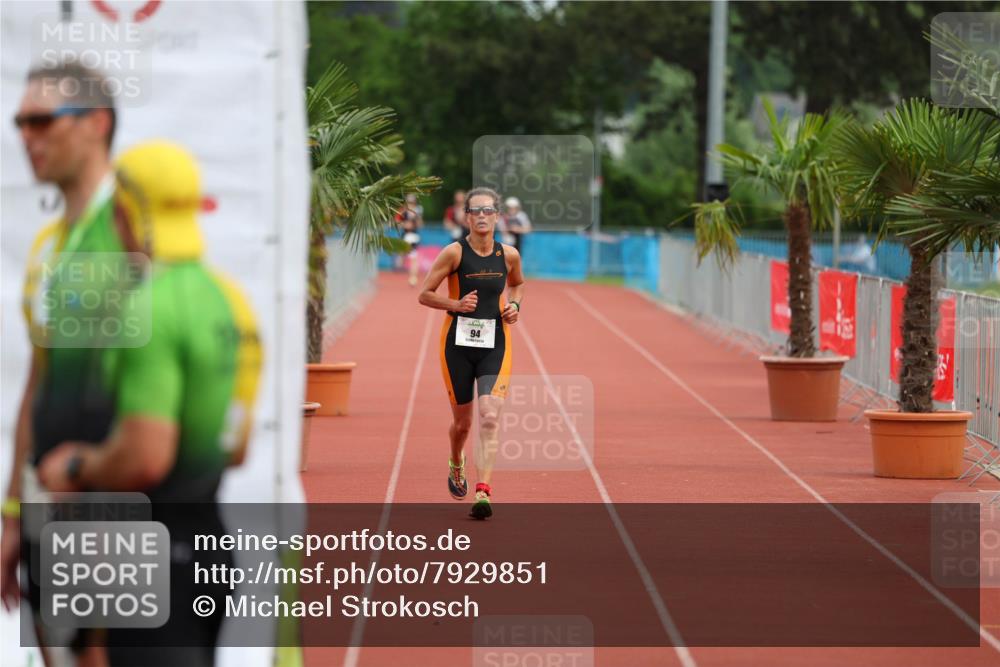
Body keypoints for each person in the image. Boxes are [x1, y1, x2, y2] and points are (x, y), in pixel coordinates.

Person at [35, 140, 263, 666]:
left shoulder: (147, 307)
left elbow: (145, 457)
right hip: (208, 542)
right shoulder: (228, 298)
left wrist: (75, 464)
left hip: (145, 549)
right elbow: (237, 445)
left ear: (126, 210)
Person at [1, 61, 122, 667]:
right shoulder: (52, 245)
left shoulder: (129, 235)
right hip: (44, 499)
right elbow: (40, 382)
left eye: (42, 120)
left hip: (108, 504)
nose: (27, 135)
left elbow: (133, 392)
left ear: (96, 124)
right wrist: (12, 513)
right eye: (21, 122)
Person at [418, 187, 525, 519]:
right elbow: (425, 294)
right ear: (466, 216)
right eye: (475, 211)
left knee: (490, 415)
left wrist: (515, 305)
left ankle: (484, 491)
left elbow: (517, 284)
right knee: (462, 424)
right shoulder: (453, 253)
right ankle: (455, 461)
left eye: (488, 210)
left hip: (496, 342)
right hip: (457, 346)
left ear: (497, 216)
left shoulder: (508, 255)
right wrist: (456, 304)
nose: (482, 216)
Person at [397, 193, 424, 286]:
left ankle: (413, 278)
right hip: (405, 235)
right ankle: (401, 262)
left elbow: (420, 224)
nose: (411, 204)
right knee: (401, 257)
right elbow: (397, 221)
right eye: (409, 202)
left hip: (413, 236)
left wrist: (415, 221)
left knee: (413, 258)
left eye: (412, 202)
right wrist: (404, 224)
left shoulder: (418, 211)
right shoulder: (403, 211)